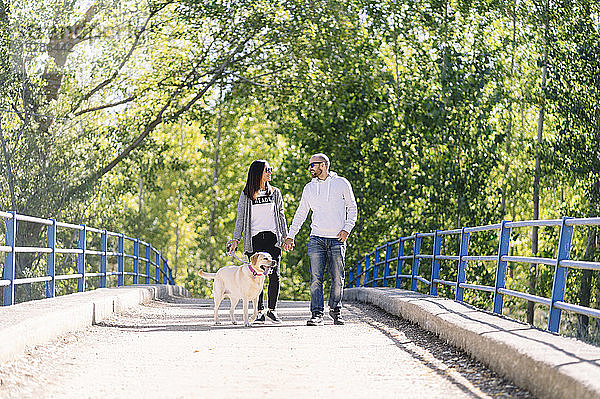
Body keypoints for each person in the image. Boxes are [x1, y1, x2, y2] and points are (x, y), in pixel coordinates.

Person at [283, 153, 358, 326]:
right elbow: (301, 213)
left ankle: (335, 310)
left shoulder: (341, 183)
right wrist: (290, 235)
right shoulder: (309, 188)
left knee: (338, 278)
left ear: (323, 165)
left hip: (337, 240)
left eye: (312, 165)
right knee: (316, 279)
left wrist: (347, 229)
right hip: (316, 238)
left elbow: (352, 207)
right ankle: (317, 314)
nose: (310, 169)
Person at [229, 160, 288, 323]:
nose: (270, 172)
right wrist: (235, 240)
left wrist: (286, 236)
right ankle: (259, 311)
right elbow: (240, 219)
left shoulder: (275, 193)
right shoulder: (247, 194)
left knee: (274, 274)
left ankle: (272, 310)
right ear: (258, 173)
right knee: (256, 274)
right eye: (267, 170)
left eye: (270, 169)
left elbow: (281, 216)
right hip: (254, 240)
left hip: (272, 239)